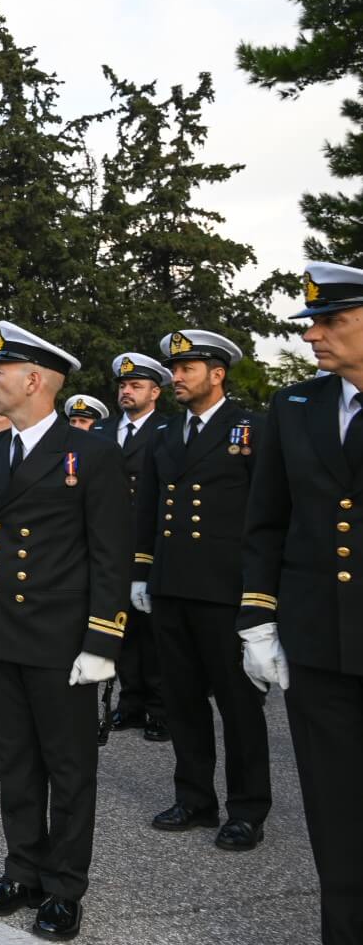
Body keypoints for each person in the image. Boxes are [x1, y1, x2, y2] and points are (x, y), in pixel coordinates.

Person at [0, 322, 130, 940]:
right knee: (18, 763)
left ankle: (63, 888)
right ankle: (22, 870)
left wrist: (104, 640)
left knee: (70, 768)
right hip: (1, 632)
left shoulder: (93, 452)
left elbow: (111, 554)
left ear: (33, 380)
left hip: (61, 639)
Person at [241, 262, 363, 943]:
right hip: (318, 644)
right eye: (311, 323)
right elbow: (267, 519)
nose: (313, 334)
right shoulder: (294, 408)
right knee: (336, 814)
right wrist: (258, 616)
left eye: (331, 320)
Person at [132, 329, 269, 852]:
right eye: (175, 368)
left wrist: (262, 595)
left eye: (188, 368)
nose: (176, 377)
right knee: (183, 700)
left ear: (218, 374)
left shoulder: (251, 429)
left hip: (225, 590)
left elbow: (266, 514)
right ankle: (194, 797)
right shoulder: (165, 435)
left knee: (239, 705)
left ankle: (248, 808)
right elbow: (147, 506)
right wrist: (141, 572)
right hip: (172, 585)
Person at [93, 353, 170, 741]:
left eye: (136, 386)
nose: (127, 391)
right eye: (123, 385)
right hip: (110, 545)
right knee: (119, 629)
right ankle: (130, 701)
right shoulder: (102, 431)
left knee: (152, 635)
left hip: (149, 545)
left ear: (155, 392)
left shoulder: (167, 431)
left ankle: (159, 708)